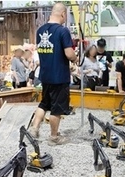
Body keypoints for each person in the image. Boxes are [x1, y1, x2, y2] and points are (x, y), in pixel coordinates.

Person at [27, 2, 76, 145]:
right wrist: (75, 57)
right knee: (56, 109)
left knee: (44, 103)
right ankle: (54, 137)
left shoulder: (40, 31)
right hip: (59, 76)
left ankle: (34, 128)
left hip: (45, 75)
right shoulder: (63, 31)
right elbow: (69, 54)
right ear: (63, 14)